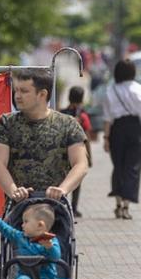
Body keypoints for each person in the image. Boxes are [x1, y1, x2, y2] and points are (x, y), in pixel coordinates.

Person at [0, 69, 89, 206]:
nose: (17, 96)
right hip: (18, 208)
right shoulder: (6, 123)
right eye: (16, 90)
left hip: (56, 208)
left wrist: (62, 189)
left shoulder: (68, 124)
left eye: (24, 91)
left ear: (42, 94)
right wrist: (14, 191)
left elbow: (81, 164)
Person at [101, 58, 141, 220]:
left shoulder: (110, 90)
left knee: (118, 166)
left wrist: (106, 138)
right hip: (135, 129)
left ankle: (118, 203)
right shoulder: (140, 90)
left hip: (117, 130)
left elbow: (107, 118)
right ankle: (126, 206)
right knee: (133, 168)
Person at [58, 86, 93, 217]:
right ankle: (74, 207)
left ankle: (62, 204)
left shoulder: (61, 113)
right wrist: (89, 156)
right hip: (78, 153)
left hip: (62, 152)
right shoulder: (83, 116)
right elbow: (87, 138)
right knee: (76, 181)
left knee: (63, 179)